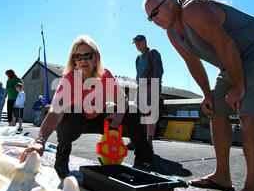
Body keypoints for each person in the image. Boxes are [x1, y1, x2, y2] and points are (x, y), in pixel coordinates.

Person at [143, 0, 254, 191]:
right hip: (230, 62)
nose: (154, 20)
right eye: (150, 18)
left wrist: (239, 86)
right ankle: (222, 176)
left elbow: (225, 44)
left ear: (169, 3)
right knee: (215, 109)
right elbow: (193, 62)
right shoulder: (171, 32)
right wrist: (207, 94)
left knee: (247, 111)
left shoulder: (192, 9)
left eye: (155, 12)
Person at [20, 35, 162, 178]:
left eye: (88, 55)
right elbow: (55, 111)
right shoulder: (69, 79)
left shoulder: (105, 74)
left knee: (131, 109)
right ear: (73, 60)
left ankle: (144, 161)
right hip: (78, 121)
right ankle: (62, 160)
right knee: (71, 114)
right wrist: (40, 141)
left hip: (100, 119)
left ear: (96, 57)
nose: (83, 60)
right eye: (78, 56)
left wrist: (119, 113)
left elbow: (123, 100)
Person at [130, 34, 164, 149]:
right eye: (136, 44)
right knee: (137, 114)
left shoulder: (153, 52)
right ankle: (136, 140)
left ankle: (149, 143)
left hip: (151, 86)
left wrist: (154, 87)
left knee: (149, 114)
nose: (138, 45)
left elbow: (158, 71)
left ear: (145, 41)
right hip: (141, 87)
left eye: (140, 43)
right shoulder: (138, 57)